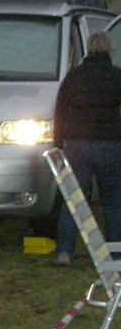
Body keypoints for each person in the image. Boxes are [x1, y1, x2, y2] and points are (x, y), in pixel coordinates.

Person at [53, 30, 121, 266]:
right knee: (113, 202)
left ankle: (64, 252)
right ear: (110, 50)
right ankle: (115, 254)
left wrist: (57, 144)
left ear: (89, 49)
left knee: (73, 200)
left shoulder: (73, 76)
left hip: (77, 145)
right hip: (109, 145)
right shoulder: (117, 76)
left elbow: (60, 112)